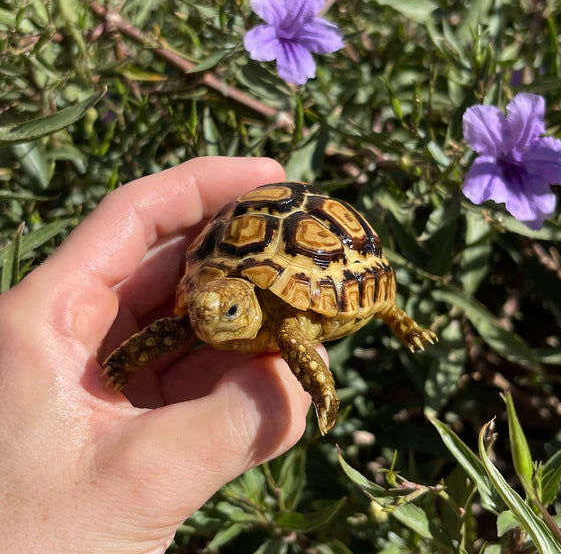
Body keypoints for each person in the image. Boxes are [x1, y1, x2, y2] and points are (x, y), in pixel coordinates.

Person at [0, 156, 321, 553]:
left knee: (293, 336)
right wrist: (120, 364)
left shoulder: (284, 318)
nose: (207, 325)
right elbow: (171, 329)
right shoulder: (202, 313)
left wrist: (318, 384)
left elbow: (294, 337)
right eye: (203, 311)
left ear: (247, 308)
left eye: (228, 313)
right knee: (173, 330)